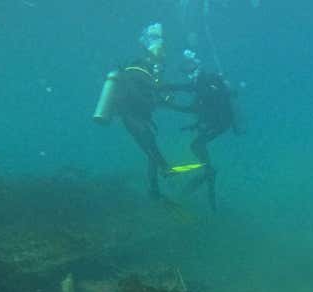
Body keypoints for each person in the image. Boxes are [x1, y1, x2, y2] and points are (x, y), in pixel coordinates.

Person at [93, 23, 181, 199]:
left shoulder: (137, 72)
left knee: (150, 150)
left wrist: (163, 98)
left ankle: (155, 188)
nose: (159, 68)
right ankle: (164, 171)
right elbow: (151, 91)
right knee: (150, 145)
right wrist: (165, 95)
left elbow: (149, 95)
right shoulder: (140, 72)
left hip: (135, 116)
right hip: (132, 116)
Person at [167, 70, 242, 211]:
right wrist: (196, 124)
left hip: (220, 123)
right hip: (218, 122)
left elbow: (193, 108)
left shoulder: (204, 88)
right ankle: (208, 174)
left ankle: (209, 171)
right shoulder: (207, 87)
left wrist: (168, 105)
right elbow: (199, 106)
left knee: (196, 145)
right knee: (196, 145)